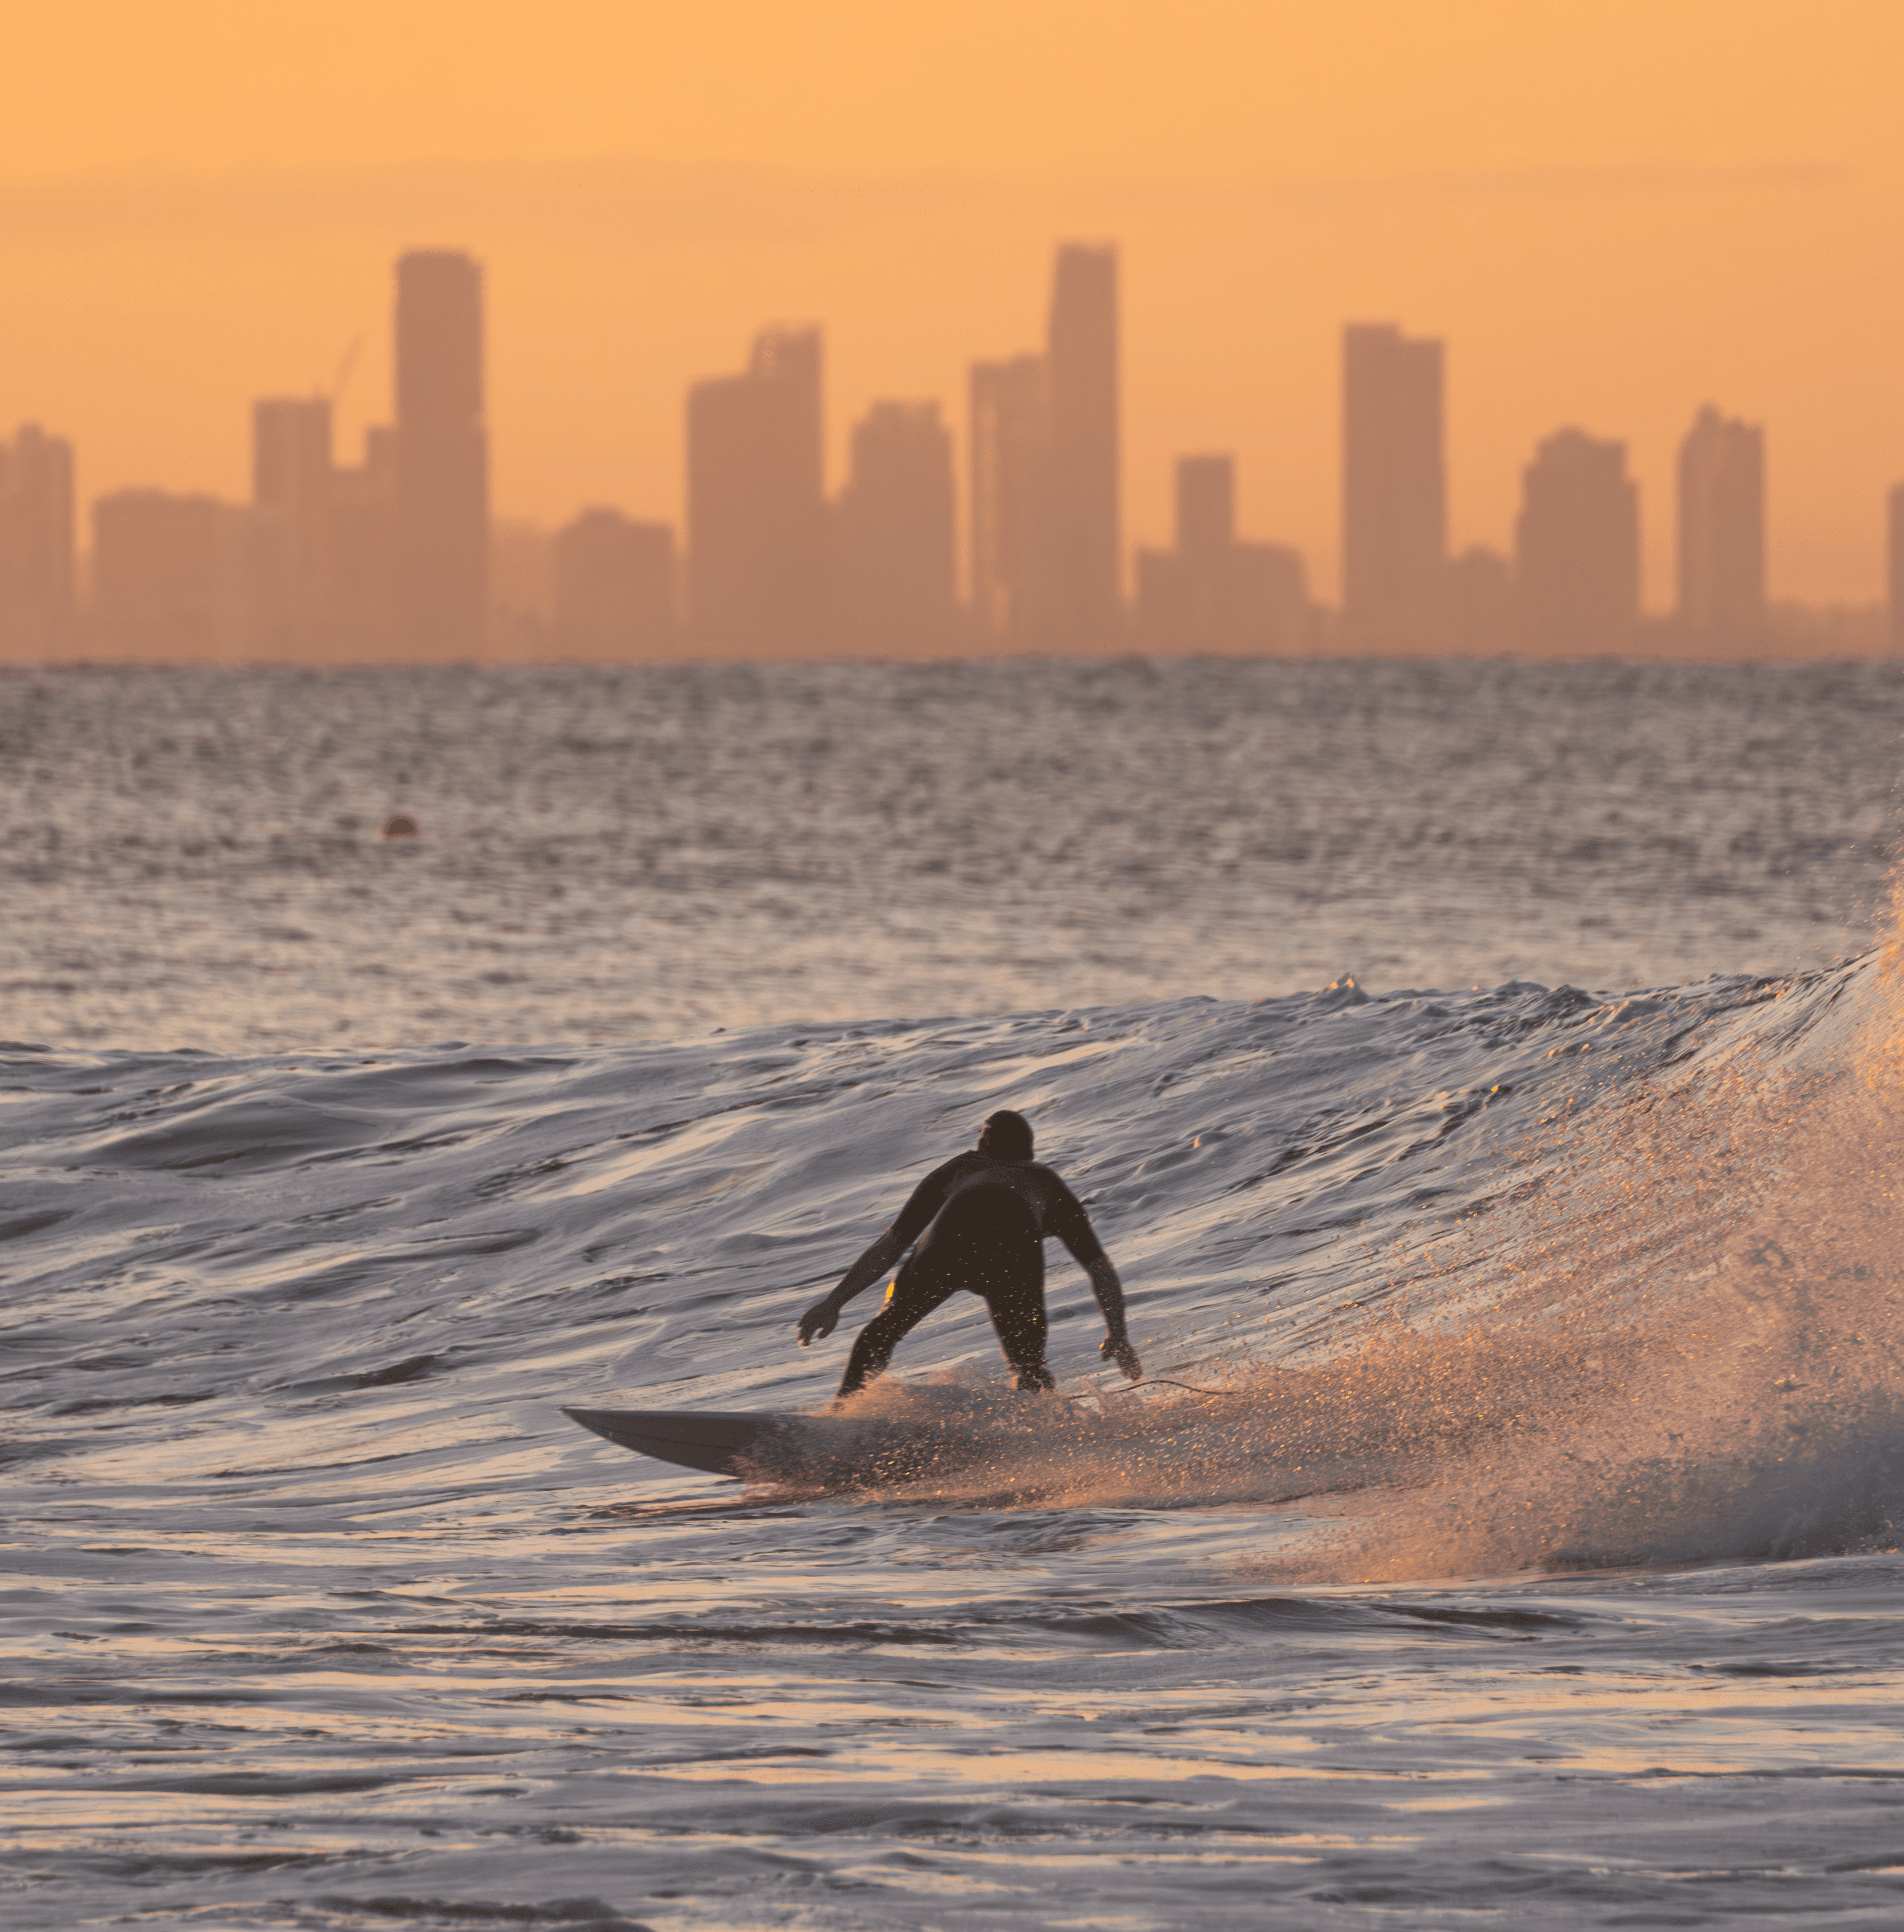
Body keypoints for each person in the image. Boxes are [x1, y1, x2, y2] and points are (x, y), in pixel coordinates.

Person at [795, 1109, 1142, 1399]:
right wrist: (1118, 1334)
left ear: (983, 1147)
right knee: (1029, 1367)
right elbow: (1098, 1267)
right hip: (1011, 1257)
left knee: (882, 1333)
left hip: (948, 1247)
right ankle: (1039, 1428)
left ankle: (845, 1415)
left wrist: (835, 1302)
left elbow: (891, 1245)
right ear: (1029, 1154)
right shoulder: (1046, 1182)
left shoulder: (964, 1167)